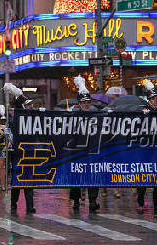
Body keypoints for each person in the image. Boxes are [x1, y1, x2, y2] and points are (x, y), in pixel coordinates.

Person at [3, 82, 36, 213]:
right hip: (18, 152)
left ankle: (29, 205)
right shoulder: (13, 119)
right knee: (17, 178)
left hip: (29, 151)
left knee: (29, 179)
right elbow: (10, 134)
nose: (30, 106)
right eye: (27, 104)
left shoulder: (33, 118)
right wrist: (9, 140)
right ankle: (13, 202)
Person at [69, 75, 100, 212]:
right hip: (77, 151)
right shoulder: (74, 115)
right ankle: (76, 200)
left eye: (88, 102)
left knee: (93, 176)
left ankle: (93, 201)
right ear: (79, 103)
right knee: (77, 177)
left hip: (92, 151)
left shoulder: (96, 115)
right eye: (84, 102)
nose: (87, 104)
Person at [137, 80, 157, 213]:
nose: (156, 101)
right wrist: (142, 117)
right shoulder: (143, 111)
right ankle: (140, 202)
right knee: (143, 178)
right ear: (149, 100)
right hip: (145, 150)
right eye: (154, 99)